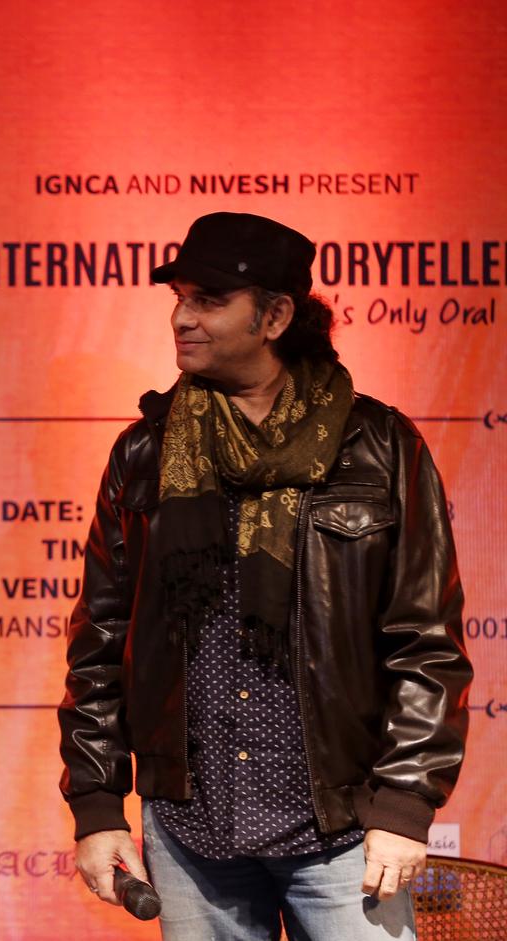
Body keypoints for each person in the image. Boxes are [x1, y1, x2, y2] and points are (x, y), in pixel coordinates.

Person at [58, 211, 471, 939]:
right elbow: (102, 639)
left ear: (275, 315)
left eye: (209, 300)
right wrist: (96, 804)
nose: (182, 318)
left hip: (342, 828)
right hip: (193, 828)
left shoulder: (377, 445)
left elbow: (425, 641)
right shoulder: (145, 452)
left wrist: (406, 803)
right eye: (178, 297)